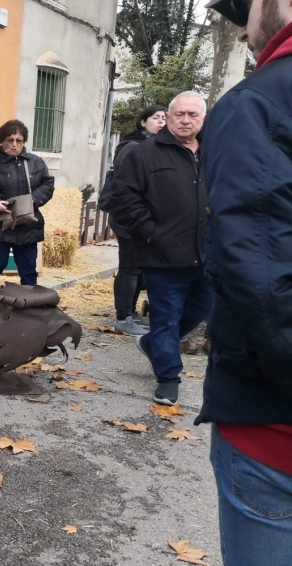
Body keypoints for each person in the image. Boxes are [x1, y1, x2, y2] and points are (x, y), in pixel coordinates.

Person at [196, 1, 292, 564]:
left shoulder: (257, 103)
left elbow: (258, 281)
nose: (243, 26)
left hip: (272, 433)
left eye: (248, 5)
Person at [109, 91, 213, 406]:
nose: (185, 120)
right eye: (179, 114)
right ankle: (168, 377)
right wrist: (153, 234)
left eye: (193, 115)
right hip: (162, 255)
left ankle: (155, 344)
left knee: (201, 309)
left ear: (202, 119)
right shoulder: (145, 153)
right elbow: (124, 198)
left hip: (207, 255)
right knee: (166, 318)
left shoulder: (214, 153)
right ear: (167, 118)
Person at [0, 120, 54, 307]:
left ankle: (29, 301)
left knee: (27, 266)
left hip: (28, 224)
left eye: (19, 140)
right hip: (1, 223)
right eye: (10, 140)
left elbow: (48, 184)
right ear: (1, 141)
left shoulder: (36, 162)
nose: (14, 144)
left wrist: (34, 200)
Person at [98, 104, 167, 336]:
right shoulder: (132, 146)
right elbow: (129, 183)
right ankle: (122, 317)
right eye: (156, 117)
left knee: (137, 267)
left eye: (164, 118)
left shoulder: (153, 145)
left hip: (140, 215)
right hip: (127, 215)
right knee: (128, 266)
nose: (161, 121)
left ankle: (131, 312)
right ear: (143, 122)